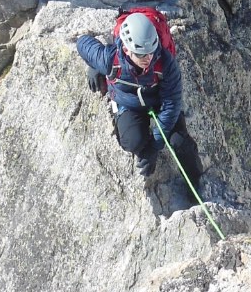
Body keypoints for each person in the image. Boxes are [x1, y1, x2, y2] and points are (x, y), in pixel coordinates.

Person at [76, 12, 203, 188]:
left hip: (159, 102)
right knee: (132, 141)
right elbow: (82, 42)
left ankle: (195, 183)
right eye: (142, 54)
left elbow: (171, 105)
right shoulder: (109, 59)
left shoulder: (165, 63)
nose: (148, 58)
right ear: (127, 50)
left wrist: (155, 146)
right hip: (129, 103)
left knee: (179, 142)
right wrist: (94, 65)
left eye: (151, 52)